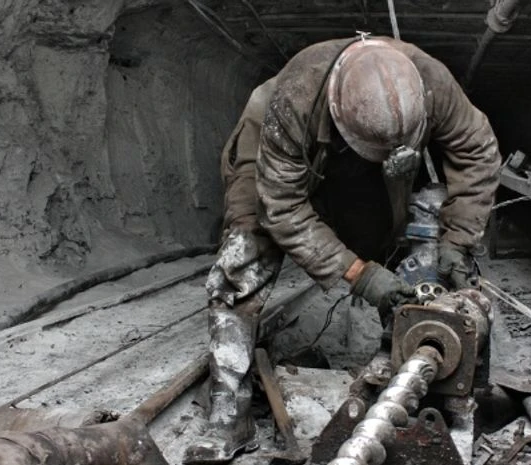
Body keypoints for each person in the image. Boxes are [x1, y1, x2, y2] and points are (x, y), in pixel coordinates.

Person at [184, 35, 502, 463]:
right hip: (275, 148)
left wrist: (458, 242)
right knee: (243, 257)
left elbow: (477, 151)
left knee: (405, 222)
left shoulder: (430, 82)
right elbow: (282, 206)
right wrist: (360, 275)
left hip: (382, 148)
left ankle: (411, 344)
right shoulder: (294, 100)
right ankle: (228, 413)